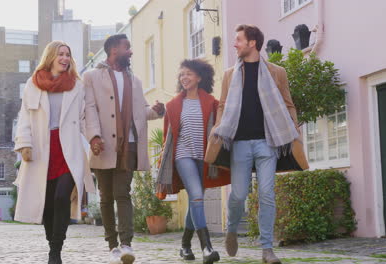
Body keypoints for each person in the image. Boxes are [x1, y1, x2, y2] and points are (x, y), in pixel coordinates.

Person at [206, 24, 308, 264]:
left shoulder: (276, 72)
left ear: (252, 43)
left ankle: (267, 249)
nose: (235, 44)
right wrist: (218, 127)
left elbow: (288, 103)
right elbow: (222, 104)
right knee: (239, 195)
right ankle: (231, 228)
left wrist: (294, 130)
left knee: (267, 194)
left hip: (268, 142)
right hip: (239, 143)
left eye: (238, 39)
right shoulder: (230, 74)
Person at [83, 34, 165, 264]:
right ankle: (112, 247)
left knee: (123, 194)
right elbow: (89, 109)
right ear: (113, 50)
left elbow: (141, 112)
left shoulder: (135, 81)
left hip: (128, 144)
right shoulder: (91, 77)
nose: (130, 51)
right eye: (126, 47)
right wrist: (94, 137)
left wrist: (158, 111)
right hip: (103, 145)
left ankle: (126, 244)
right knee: (106, 197)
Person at [13, 40, 95, 264]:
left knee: (61, 197)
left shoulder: (77, 85)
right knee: (48, 202)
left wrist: (94, 138)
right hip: (42, 149)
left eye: (68, 54)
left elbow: (84, 118)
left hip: (69, 148)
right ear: (50, 57)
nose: (65, 58)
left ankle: (56, 250)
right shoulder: (33, 83)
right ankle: (52, 243)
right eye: (61, 54)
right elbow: (25, 117)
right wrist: (24, 144)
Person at [158, 59, 230, 264]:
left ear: (199, 77)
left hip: (205, 158)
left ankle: (184, 245)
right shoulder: (173, 105)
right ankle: (207, 248)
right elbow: (167, 138)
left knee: (194, 201)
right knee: (197, 196)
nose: (184, 77)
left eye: (188, 73)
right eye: (182, 74)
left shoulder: (212, 103)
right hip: (183, 156)